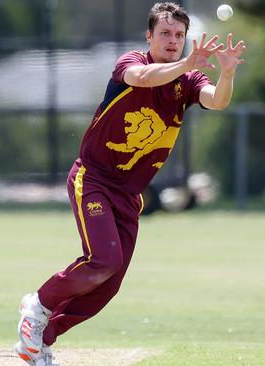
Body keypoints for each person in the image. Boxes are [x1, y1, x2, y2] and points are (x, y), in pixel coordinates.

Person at [14, 2, 246, 365]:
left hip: (128, 194)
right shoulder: (131, 61)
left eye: (179, 35)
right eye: (165, 33)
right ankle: (38, 303)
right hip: (93, 179)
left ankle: (39, 340)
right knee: (103, 260)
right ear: (149, 36)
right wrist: (186, 63)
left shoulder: (187, 84)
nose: (173, 41)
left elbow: (216, 101)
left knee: (108, 284)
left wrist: (227, 74)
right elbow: (143, 78)